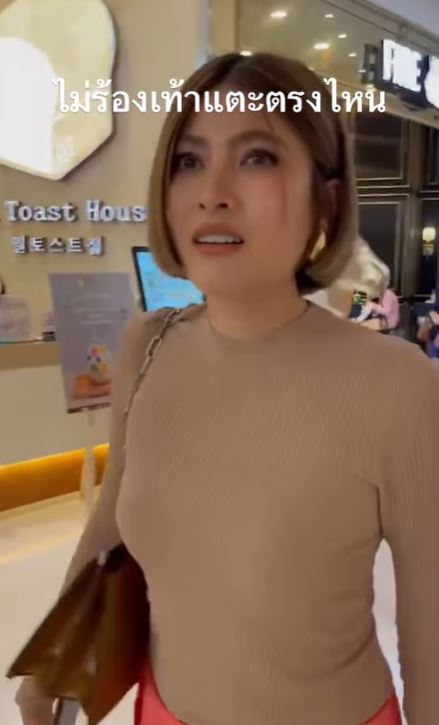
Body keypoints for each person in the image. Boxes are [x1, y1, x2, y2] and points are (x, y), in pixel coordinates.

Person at [16, 52, 439, 725]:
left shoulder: (397, 384)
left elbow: (429, 628)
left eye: (256, 158)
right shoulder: (147, 345)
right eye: (189, 160)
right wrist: (53, 659)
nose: (212, 192)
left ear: (325, 199)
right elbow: (108, 527)